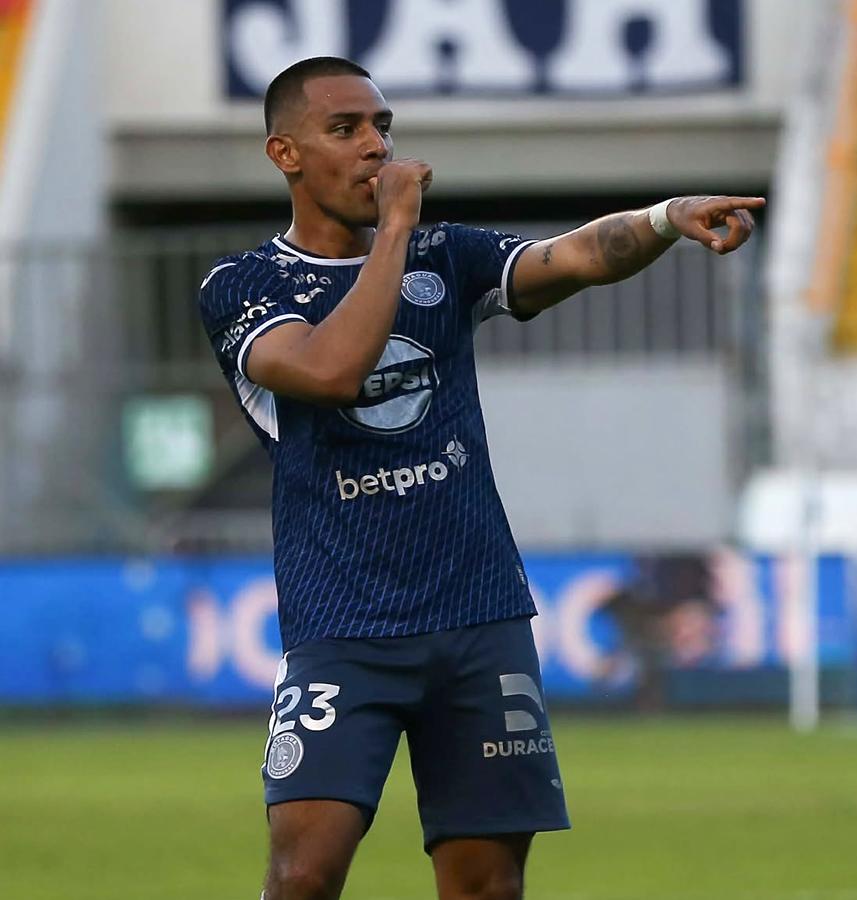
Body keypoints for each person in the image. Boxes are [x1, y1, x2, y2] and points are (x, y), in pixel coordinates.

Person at [196, 55, 765, 900]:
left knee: (488, 886)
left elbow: (576, 257)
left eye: (382, 127)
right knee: (304, 876)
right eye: (345, 129)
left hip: (479, 619)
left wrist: (666, 216)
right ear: (285, 153)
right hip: (342, 628)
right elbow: (329, 372)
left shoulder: (448, 258)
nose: (374, 147)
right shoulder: (244, 285)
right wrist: (395, 231)